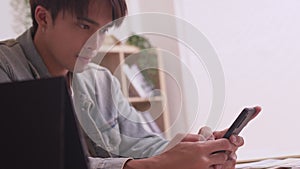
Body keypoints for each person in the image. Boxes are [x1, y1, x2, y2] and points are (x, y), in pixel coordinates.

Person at [0, 0, 255, 168]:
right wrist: (152, 166)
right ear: (43, 18)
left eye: (104, 32)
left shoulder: (100, 81)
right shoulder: (6, 68)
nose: (95, 43)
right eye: (83, 26)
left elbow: (141, 143)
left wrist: (198, 149)